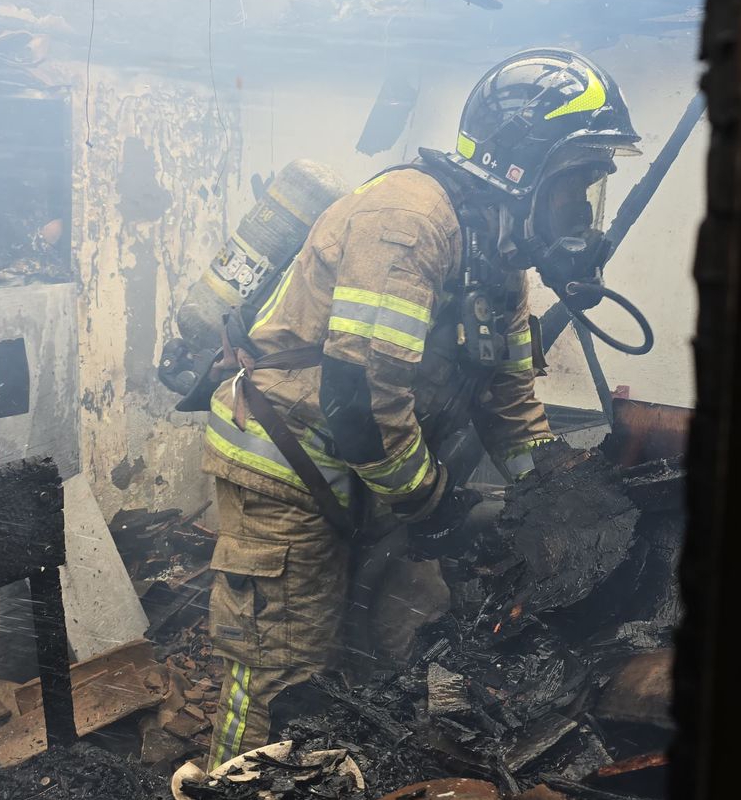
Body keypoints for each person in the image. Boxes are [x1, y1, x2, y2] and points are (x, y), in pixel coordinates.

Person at [200, 47, 640, 767]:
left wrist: (559, 494)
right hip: (290, 472)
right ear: (525, 168)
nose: (580, 212)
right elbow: (360, 402)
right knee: (285, 676)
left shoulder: (497, 255)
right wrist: (432, 507)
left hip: (374, 481)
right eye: (575, 186)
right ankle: (234, 781)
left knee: (391, 655)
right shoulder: (407, 223)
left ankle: (340, 776)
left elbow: (509, 402)